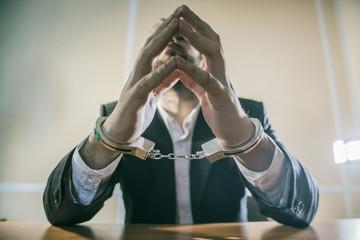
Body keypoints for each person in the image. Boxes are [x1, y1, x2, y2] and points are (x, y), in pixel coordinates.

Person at [43, 5, 318, 228]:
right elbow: (61, 214)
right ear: (147, 57)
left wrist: (247, 140)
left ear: (203, 58)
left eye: (183, 37)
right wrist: (108, 140)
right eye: (160, 40)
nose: (172, 43)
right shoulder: (114, 117)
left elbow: (302, 211)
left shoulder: (247, 115)